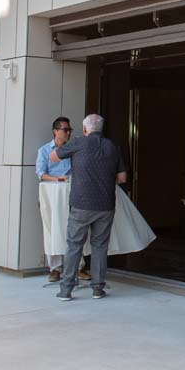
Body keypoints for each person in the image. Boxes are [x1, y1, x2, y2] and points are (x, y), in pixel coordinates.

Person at [50, 113, 128, 301]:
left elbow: (53, 157)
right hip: (105, 205)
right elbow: (122, 178)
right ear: (101, 129)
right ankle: (98, 289)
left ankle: (66, 289)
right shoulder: (112, 147)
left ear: (85, 129)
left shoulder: (78, 143)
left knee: (74, 246)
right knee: (100, 246)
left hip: (81, 204)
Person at [35, 116, 88, 283]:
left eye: (70, 130)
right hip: (52, 194)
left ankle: (78, 267)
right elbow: (41, 173)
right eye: (65, 130)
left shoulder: (73, 149)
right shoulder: (44, 150)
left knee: (75, 229)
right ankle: (55, 269)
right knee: (52, 229)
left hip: (72, 193)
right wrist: (58, 179)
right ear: (55, 131)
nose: (68, 133)